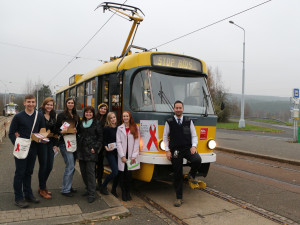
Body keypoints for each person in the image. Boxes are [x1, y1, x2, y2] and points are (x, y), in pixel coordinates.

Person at [9, 94, 46, 208]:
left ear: (35, 103)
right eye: (28, 102)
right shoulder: (18, 116)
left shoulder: (39, 115)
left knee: (29, 172)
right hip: (21, 148)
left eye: (33, 102)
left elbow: (42, 131)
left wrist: (43, 138)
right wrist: (17, 144)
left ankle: (28, 194)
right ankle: (18, 198)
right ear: (24, 103)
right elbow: (11, 133)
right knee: (20, 172)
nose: (30, 104)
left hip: (33, 148)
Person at [163, 100, 202, 207]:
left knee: (197, 160)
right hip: (175, 151)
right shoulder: (169, 121)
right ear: (174, 109)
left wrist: (194, 146)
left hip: (187, 149)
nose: (178, 109)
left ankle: (191, 175)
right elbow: (165, 137)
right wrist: (167, 150)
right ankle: (179, 198)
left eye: (180, 108)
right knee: (177, 174)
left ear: (183, 109)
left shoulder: (188, 121)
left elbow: (194, 135)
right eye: (177, 108)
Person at [77, 106, 103, 203]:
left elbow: (100, 137)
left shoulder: (97, 123)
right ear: (84, 113)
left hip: (91, 151)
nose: (88, 114)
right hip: (81, 150)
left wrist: (95, 147)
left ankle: (92, 193)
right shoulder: (81, 123)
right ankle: (88, 189)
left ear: (93, 113)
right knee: (83, 172)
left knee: (91, 172)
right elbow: (79, 134)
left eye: (90, 112)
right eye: (87, 112)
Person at [55, 97, 80, 197]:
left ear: (74, 104)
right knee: (70, 166)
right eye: (69, 103)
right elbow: (56, 129)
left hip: (73, 142)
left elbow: (78, 127)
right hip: (64, 143)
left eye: (72, 103)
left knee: (72, 166)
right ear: (66, 104)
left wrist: (77, 131)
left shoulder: (76, 115)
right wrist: (61, 131)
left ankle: (68, 186)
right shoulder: (61, 115)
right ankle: (65, 189)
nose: (70, 104)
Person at [37, 97, 59, 199]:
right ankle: (42, 189)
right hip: (42, 143)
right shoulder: (39, 115)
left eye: (51, 105)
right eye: (48, 104)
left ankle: (42, 185)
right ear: (44, 105)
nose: (49, 106)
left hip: (50, 143)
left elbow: (55, 131)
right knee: (43, 166)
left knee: (49, 166)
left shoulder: (53, 115)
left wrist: (55, 144)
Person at [116, 111, 140, 201]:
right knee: (122, 175)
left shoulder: (135, 127)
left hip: (131, 156)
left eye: (127, 116)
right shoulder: (119, 128)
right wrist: (122, 155)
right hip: (122, 155)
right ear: (122, 118)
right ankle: (123, 193)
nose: (125, 118)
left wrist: (134, 156)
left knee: (129, 175)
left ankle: (128, 192)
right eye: (124, 116)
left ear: (130, 117)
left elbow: (137, 143)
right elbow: (118, 143)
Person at [100, 112, 119, 197]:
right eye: (111, 118)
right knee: (115, 172)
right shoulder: (106, 128)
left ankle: (114, 190)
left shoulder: (119, 128)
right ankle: (103, 186)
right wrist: (105, 147)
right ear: (108, 119)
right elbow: (104, 140)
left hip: (118, 152)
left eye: (114, 117)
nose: (113, 119)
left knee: (118, 172)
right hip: (110, 152)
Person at [95, 103, 108, 189]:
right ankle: (93, 183)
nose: (103, 110)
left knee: (100, 164)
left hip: (102, 145)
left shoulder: (107, 119)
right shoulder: (94, 118)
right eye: (101, 108)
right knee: (93, 164)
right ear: (99, 109)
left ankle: (99, 182)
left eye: (105, 109)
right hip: (94, 144)